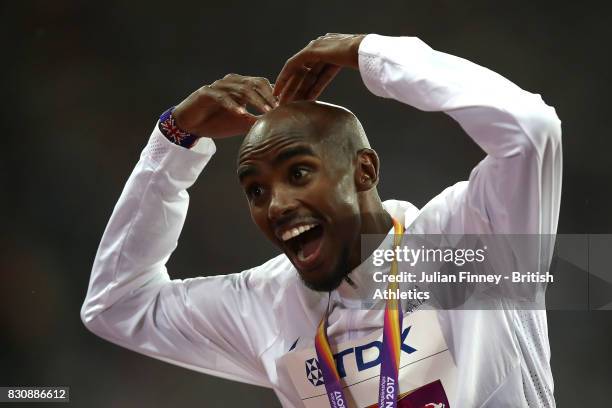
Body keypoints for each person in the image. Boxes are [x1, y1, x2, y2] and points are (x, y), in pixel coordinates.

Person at [81, 33, 562, 407]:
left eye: (298, 172)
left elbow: (530, 130)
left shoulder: (473, 236)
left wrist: (369, 53)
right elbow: (116, 306)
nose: (277, 204)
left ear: (364, 169)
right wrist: (174, 140)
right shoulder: (266, 304)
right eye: (256, 190)